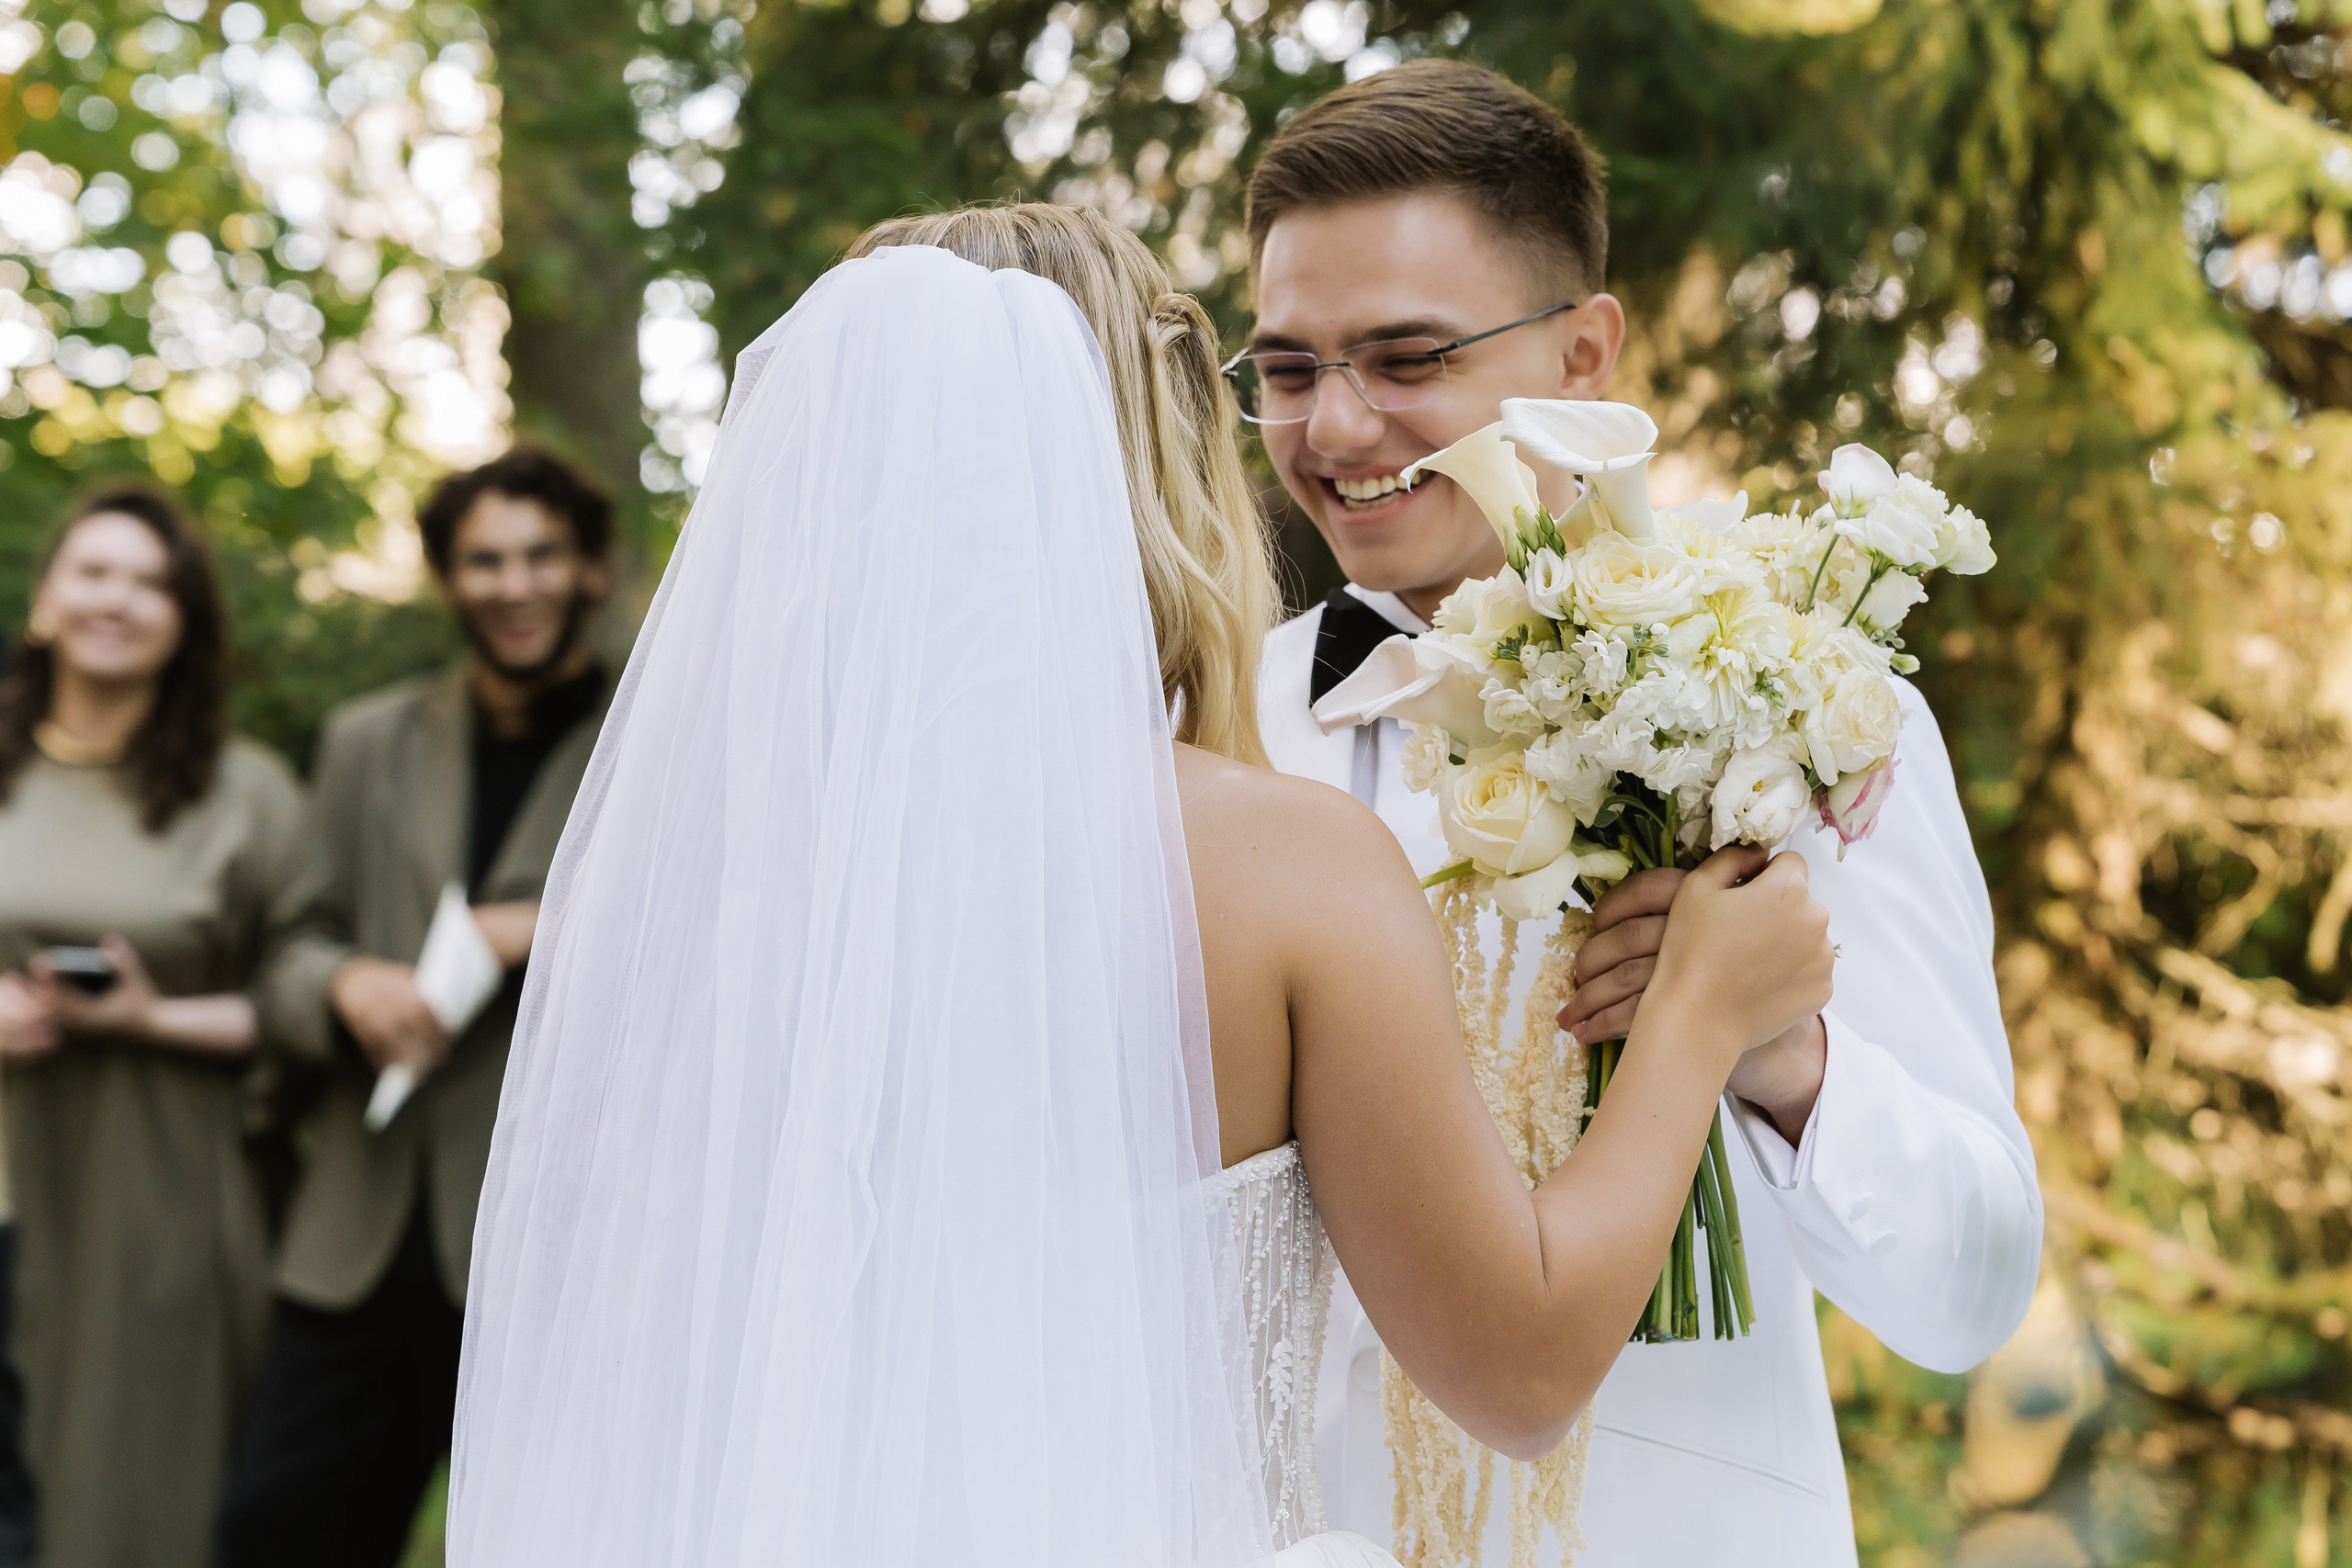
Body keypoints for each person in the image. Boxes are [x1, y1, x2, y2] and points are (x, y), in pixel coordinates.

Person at [444, 208, 1836, 1568]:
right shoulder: (1280, 866)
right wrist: (1702, 1009)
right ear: (1156, 471)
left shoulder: (687, 903)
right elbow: (1521, 1367)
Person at [1237, 61, 2044, 1563]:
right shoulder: (1209, 729)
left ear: (1585, 351)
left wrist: (1784, 1056)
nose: (1335, 428)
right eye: (1287, 370)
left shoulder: (1805, 700)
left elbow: (1974, 1288)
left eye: (1405, 355)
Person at [216, 450, 615, 1567]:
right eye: (483, 561)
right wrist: (346, 984)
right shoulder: (365, 741)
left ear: (590, 568)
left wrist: (537, 925)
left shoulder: (658, 739)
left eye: (542, 555)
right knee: (275, 1535)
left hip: (568, 1241)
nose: (515, 584)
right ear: (447, 580)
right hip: (364, 1236)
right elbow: (287, 952)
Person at [0, 483, 306, 1568]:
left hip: (156, 1203)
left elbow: (301, 1000)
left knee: (127, 1506)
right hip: (6, 1185)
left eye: (151, 581)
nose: (118, 599)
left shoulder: (248, 793)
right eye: (94, 572)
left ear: (187, 619)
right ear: (45, 599)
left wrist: (150, 1017)